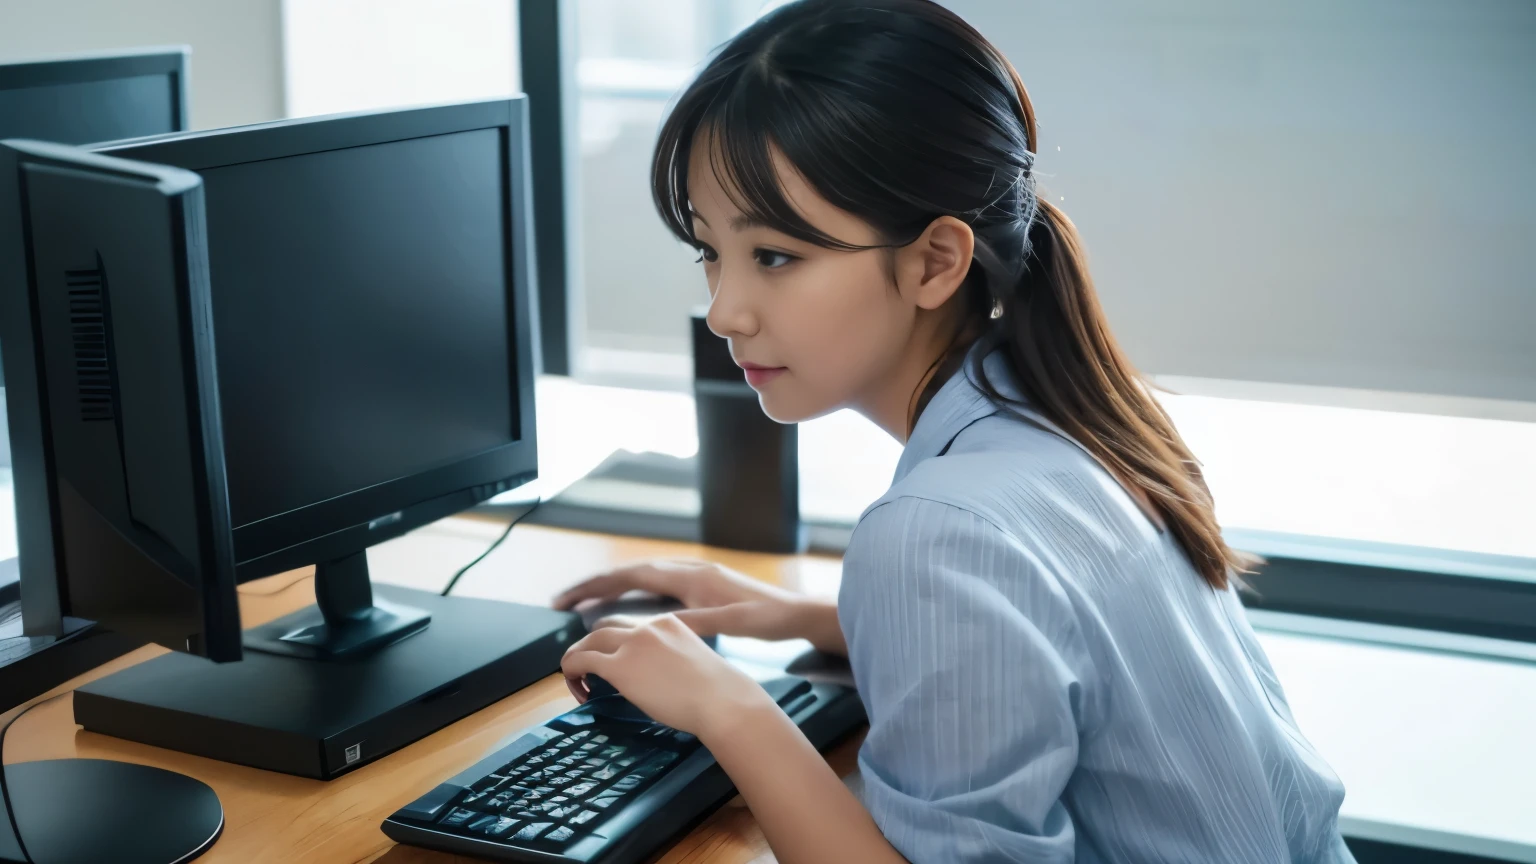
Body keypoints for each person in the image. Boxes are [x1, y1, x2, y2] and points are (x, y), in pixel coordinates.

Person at [553, 1, 1355, 861]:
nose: (723, 311)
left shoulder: (940, 530)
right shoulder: (1064, 414)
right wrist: (817, 617)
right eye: (708, 250)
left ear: (936, 259)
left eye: (776, 256)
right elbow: (1055, 647)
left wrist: (725, 704)